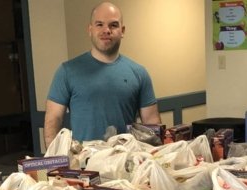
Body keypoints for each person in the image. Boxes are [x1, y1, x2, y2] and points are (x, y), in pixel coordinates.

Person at [43, 1, 161, 146]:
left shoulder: (139, 73)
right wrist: (55, 160)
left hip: (127, 161)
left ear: (122, 31)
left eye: (113, 25)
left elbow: (152, 124)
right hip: (84, 164)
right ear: (90, 29)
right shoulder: (67, 71)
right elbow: (52, 121)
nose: (106, 30)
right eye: (100, 24)